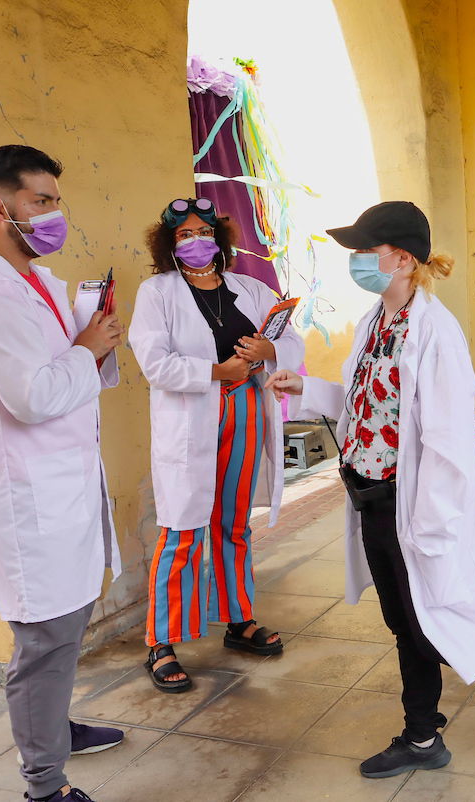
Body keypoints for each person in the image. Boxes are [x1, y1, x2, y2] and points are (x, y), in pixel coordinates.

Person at [265, 201, 475, 778]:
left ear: (402, 258)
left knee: (434, 616)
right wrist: (307, 388)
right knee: (408, 621)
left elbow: (449, 440)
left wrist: (430, 524)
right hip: (371, 494)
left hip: (414, 504)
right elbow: (366, 404)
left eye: (364, 251)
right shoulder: (375, 320)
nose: (355, 261)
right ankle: (424, 735)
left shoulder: (435, 331)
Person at [0, 145, 125, 802]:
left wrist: (94, 342)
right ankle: (45, 786)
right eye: (40, 201)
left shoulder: (37, 280)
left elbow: (71, 374)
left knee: (66, 627)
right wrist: (86, 350)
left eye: (55, 201)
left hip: (60, 487)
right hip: (25, 502)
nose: (54, 215)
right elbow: (34, 396)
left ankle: (55, 727)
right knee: (44, 643)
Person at [127, 199, 306, 693]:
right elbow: (153, 362)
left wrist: (271, 350)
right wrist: (214, 372)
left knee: (233, 522)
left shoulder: (249, 287)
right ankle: (161, 642)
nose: (195, 240)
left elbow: (292, 340)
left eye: (203, 231)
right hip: (193, 416)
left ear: (219, 238)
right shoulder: (157, 292)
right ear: (169, 245)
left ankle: (239, 620)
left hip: (246, 408)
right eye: (183, 235)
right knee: (183, 527)